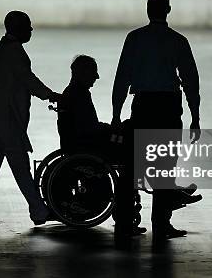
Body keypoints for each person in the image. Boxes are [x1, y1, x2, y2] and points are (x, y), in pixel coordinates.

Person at [112, 0, 202, 241]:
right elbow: (191, 82)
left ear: (148, 9)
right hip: (168, 109)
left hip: (142, 106)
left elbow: (122, 79)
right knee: (164, 170)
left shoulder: (134, 38)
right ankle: (161, 226)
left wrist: (116, 115)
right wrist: (195, 117)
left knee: (131, 169)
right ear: (168, 10)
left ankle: (124, 226)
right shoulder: (178, 41)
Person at [0, 11, 59, 227]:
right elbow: (28, 80)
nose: (31, 30)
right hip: (5, 119)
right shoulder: (14, 51)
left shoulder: (5, 47)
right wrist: (51, 95)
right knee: (19, 165)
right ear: (17, 28)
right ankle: (38, 210)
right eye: (28, 25)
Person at [57, 55, 146, 236]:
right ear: (81, 73)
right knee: (131, 153)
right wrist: (112, 129)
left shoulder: (74, 92)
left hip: (85, 142)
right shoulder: (77, 95)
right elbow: (88, 129)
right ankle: (125, 215)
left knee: (130, 134)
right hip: (89, 145)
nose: (97, 77)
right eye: (93, 72)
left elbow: (87, 127)